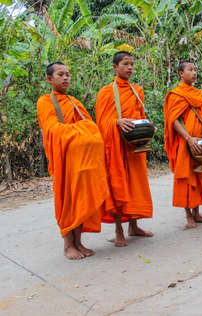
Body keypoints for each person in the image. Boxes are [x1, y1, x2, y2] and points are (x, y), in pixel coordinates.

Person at [37, 62, 109, 260]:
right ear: (50, 79)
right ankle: (68, 245)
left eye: (68, 74)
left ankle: (79, 242)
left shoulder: (74, 102)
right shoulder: (45, 102)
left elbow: (92, 126)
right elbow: (54, 131)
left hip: (83, 161)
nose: (66, 78)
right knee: (68, 201)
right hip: (65, 161)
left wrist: (84, 130)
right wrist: (83, 131)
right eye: (61, 74)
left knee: (82, 201)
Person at [96, 51, 154, 247]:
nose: (129, 68)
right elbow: (101, 123)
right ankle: (119, 230)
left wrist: (149, 125)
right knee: (118, 186)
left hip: (134, 146)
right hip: (116, 147)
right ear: (115, 67)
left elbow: (140, 114)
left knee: (135, 186)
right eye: (125, 64)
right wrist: (117, 122)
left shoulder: (137, 90)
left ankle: (134, 226)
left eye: (131, 64)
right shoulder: (106, 92)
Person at [164, 61, 202, 228]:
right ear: (181, 73)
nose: (194, 73)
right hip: (186, 142)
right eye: (190, 70)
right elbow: (174, 121)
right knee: (186, 178)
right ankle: (188, 215)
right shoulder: (176, 95)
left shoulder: (199, 94)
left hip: (201, 141)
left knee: (200, 176)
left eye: (195, 70)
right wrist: (188, 138)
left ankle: (197, 213)